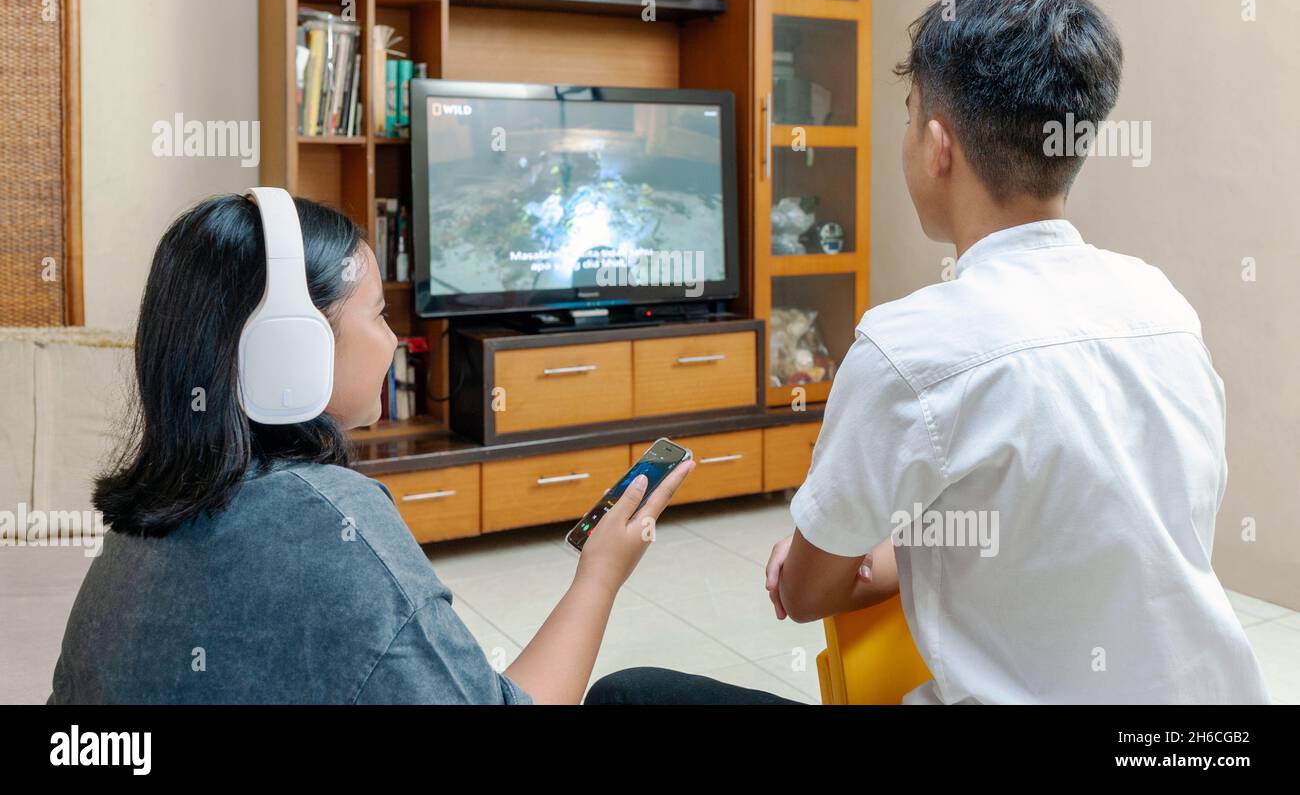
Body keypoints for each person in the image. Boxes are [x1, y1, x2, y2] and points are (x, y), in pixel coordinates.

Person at [49, 191, 794, 704]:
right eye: (376, 314)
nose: (396, 341)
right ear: (289, 351)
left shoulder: (134, 528)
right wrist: (601, 572)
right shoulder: (324, 521)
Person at [763, 0, 1271, 704]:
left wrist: (835, 555)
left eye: (910, 119)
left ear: (938, 147)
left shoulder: (907, 348)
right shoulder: (1164, 306)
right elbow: (1087, 521)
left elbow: (808, 592)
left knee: (634, 691)